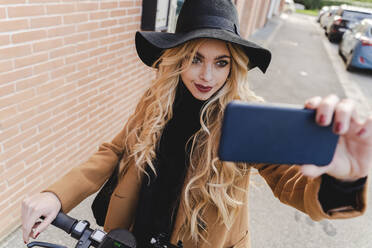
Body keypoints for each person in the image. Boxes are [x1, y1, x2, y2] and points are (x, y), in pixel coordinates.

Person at [22, 0, 371, 247]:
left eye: (221, 62)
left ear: (233, 66)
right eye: (195, 59)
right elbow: (116, 150)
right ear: (177, 58)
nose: (207, 76)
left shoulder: (244, 117)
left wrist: (344, 180)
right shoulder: (157, 100)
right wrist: (57, 195)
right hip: (130, 237)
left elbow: (290, 183)